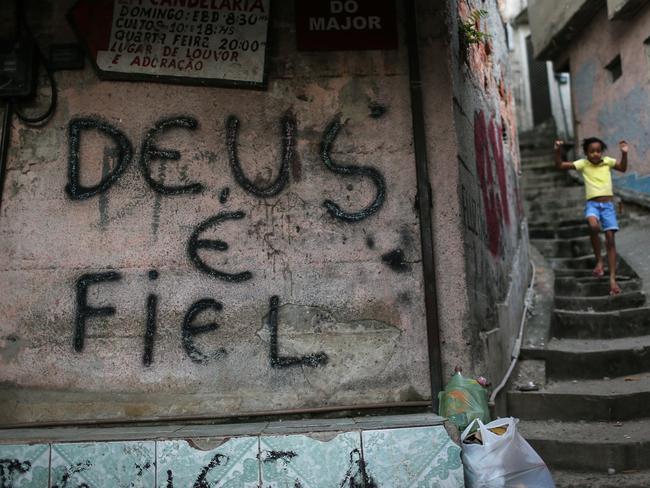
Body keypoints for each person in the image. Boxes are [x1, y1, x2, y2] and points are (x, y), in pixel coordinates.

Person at [554, 137, 628, 295]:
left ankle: (612, 280)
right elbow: (561, 165)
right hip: (593, 205)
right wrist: (557, 151)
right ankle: (599, 261)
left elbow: (622, 168)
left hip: (608, 206)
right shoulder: (583, 164)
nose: (595, 154)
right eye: (591, 151)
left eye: (598, 151)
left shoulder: (607, 161)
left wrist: (624, 154)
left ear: (602, 152)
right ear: (586, 153)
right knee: (593, 225)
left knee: (610, 239)